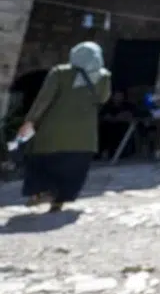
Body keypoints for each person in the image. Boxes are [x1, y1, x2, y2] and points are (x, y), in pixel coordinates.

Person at [16, 41, 113, 213]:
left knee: (43, 161)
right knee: (73, 167)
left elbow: (44, 99)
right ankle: (59, 201)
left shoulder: (60, 72)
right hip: (84, 134)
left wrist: (30, 120)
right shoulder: (104, 76)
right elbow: (103, 98)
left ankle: (41, 192)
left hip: (53, 129)